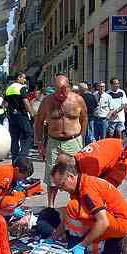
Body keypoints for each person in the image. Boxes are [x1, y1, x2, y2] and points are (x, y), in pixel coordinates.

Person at [50, 161, 127, 254]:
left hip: (120, 222)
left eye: (62, 185)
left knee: (74, 209)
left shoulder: (87, 190)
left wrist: (82, 245)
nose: (62, 190)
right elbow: (67, 219)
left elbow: (103, 222)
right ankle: (111, 243)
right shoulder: (80, 185)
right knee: (73, 211)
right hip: (114, 219)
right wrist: (53, 237)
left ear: (71, 177)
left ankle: (120, 243)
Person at [35, 75, 87, 208]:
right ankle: (50, 206)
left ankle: (79, 203)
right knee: (52, 175)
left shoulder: (78, 100)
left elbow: (84, 119)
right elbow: (39, 122)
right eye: (57, 90)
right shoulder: (47, 101)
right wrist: (40, 143)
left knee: (77, 173)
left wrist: (81, 137)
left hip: (73, 140)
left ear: (69, 87)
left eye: (63, 90)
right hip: (54, 142)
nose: (60, 94)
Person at [56, 138, 127, 188]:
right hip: (114, 152)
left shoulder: (90, 167)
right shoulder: (77, 157)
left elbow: (89, 188)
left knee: (108, 186)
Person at [4, 73, 34, 161]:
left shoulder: (9, 88)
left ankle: (14, 159)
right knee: (28, 135)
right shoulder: (22, 87)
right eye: (23, 78)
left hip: (12, 116)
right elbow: (25, 102)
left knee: (15, 137)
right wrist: (32, 114)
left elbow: (5, 104)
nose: (24, 80)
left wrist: (9, 112)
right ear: (19, 78)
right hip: (21, 115)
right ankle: (22, 157)